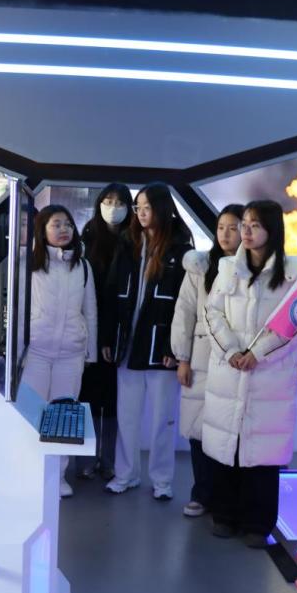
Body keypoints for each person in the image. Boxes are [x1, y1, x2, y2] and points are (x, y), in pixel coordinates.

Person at [203, 200, 297, 547]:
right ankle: (224, 515)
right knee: (226, 446)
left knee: (262, 453)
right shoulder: (226, 269)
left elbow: (295, 325)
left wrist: (256, 354)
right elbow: (212, 313)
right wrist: (232, 351)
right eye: (244, 224)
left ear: (272, 230)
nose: (245, 232)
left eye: (255, 225)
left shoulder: (292, 273)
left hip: (269, 378)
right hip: (229, 372)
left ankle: (257, 523)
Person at [101, 182, 192, 500]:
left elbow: (185, 305)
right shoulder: (127, 244)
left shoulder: (181, 250)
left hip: (161, 348)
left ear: (162, 209)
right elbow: (111, 293)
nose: (140, 212)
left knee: (162, 420)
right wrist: (108, 336)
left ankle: (162, 480)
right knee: (127, 416)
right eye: (137, 207)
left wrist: (174, 347)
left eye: (147, 207)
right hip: (127, 345)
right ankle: (125, 474)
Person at [171, 204, 244, 518]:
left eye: (233, 227)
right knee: (197, 428)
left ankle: (228, 498)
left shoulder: (253, 268)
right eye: (221, 227)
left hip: (236, 359)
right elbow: (184, 313)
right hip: (201, 356)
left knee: (229, 429)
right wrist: (182, 358)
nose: (226, 234)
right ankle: (201, 494)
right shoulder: (200, 267)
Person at [22, 205, 98, 497]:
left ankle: (57, 477)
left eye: (68, 224)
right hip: (36, 351)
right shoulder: (28, 263)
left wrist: (90, 351)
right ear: (42, 231)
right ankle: (29, 473)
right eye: (56, 224)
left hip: (71, 353)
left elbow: (90, 311)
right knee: (32, 414)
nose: (64, 229)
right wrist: (17, 349)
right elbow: (17, 309)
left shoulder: (83, 266)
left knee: (64, 414)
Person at [78, 184, 134, 480]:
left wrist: (111, 336)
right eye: (108, 201)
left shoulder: (134, 241)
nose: (113, 207)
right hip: (88, 331)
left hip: (120, 334)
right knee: (87, 398)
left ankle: (109, 460)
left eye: (120, 202)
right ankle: (85, 460)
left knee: (113, 403)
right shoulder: (86, 238)